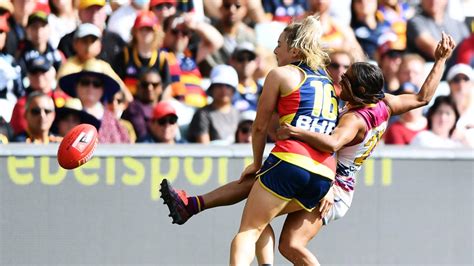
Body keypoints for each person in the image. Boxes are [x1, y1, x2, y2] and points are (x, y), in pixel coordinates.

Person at [160, 33, 455, 264]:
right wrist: (440, 60)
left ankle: (192, 206)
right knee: (260, 197)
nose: (340, 80)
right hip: (330, 177)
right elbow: (422, 97)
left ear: (361, 93)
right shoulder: (385, 103)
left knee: (288, 242)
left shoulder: (354, 118)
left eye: (348, 81)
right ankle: (192, 205)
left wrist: (296, 131)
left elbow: (333, 143)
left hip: (333, 188)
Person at [186, 64, 240, 144]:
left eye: (228, 86)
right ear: (212, 88)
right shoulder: (202, 114)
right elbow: (204, 148)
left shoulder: (237, 114)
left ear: (233, 90)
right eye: (219, 85)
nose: (223, 90)